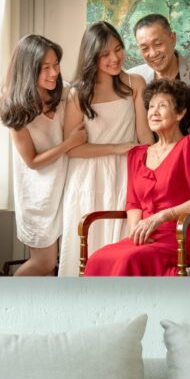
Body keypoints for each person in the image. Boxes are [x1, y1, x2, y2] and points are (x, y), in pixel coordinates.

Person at [84, 79, 190, 276]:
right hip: (147, 237)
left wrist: (162, 216)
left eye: (162, 106)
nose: (154, 112)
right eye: (151, 106)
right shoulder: (137, 154)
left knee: (129, 260)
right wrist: (136, 231)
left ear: (180, 113)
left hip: (181, 236)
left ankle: (134, 308)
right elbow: (133, 203)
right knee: (98, 258)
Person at [57, 22, 153, 277]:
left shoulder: (135, 83)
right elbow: (72, 149)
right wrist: (116, 147)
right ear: (92, 56)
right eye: (105, 54)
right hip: (89, 176)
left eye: (118, 49)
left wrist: (156, 170)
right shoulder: (78, 93)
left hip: (126, 173)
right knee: (89, 246)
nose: (115, 58)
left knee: (124, 245)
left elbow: (144, 135)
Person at [0, 35, 86, 276]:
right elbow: (32, 161)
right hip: (37, 192)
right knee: (44, 263)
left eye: (56, 64)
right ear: (28, 70)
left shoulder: (65, 92)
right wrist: (69, 143)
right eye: (45, 68)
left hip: (65, 184)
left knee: (65, 259)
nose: (54, 72)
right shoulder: (14, 106)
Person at [126, 14, 190, 93]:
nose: (153, 54)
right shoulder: (133, 79)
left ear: (173, 39)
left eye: (158, 44)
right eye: (145, 48)